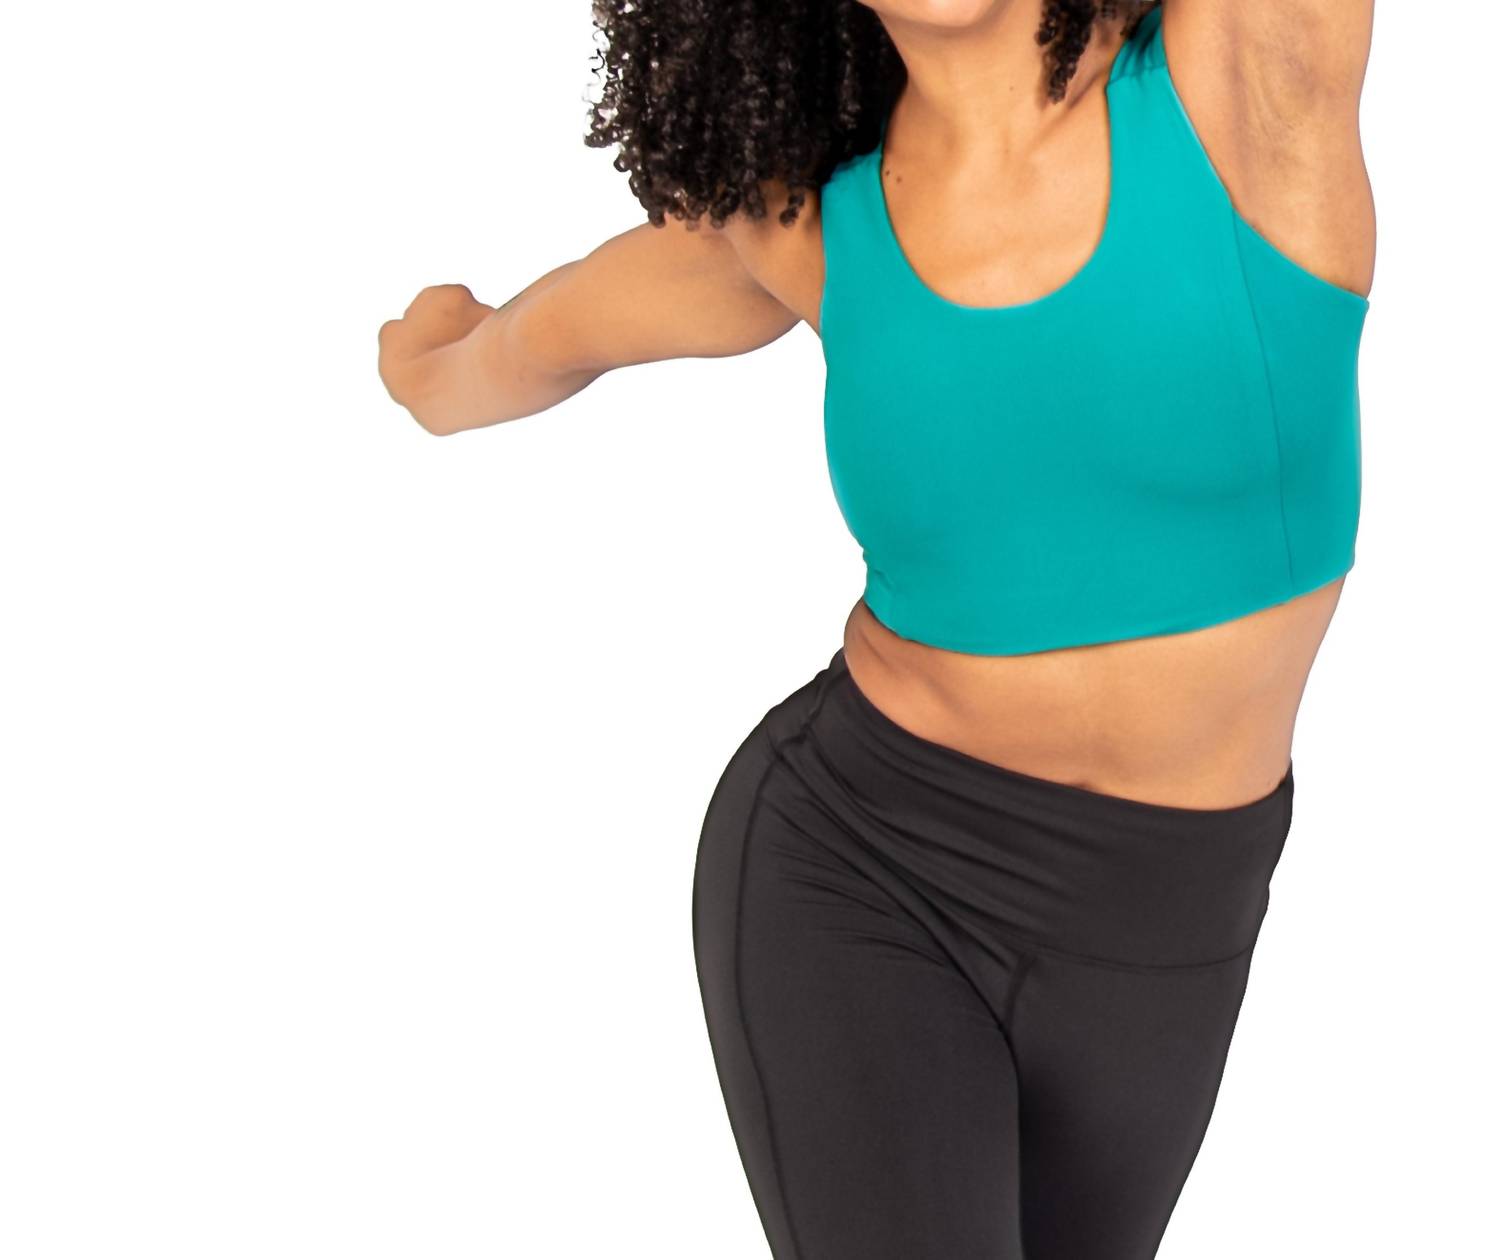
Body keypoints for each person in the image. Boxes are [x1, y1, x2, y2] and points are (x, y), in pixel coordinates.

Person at [377, 1, 1376, 1255]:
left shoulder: (1247, 82)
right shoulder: (813, 220)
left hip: (1168, 926)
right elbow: (560, 329)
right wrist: (440, 367)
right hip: (864, 869)